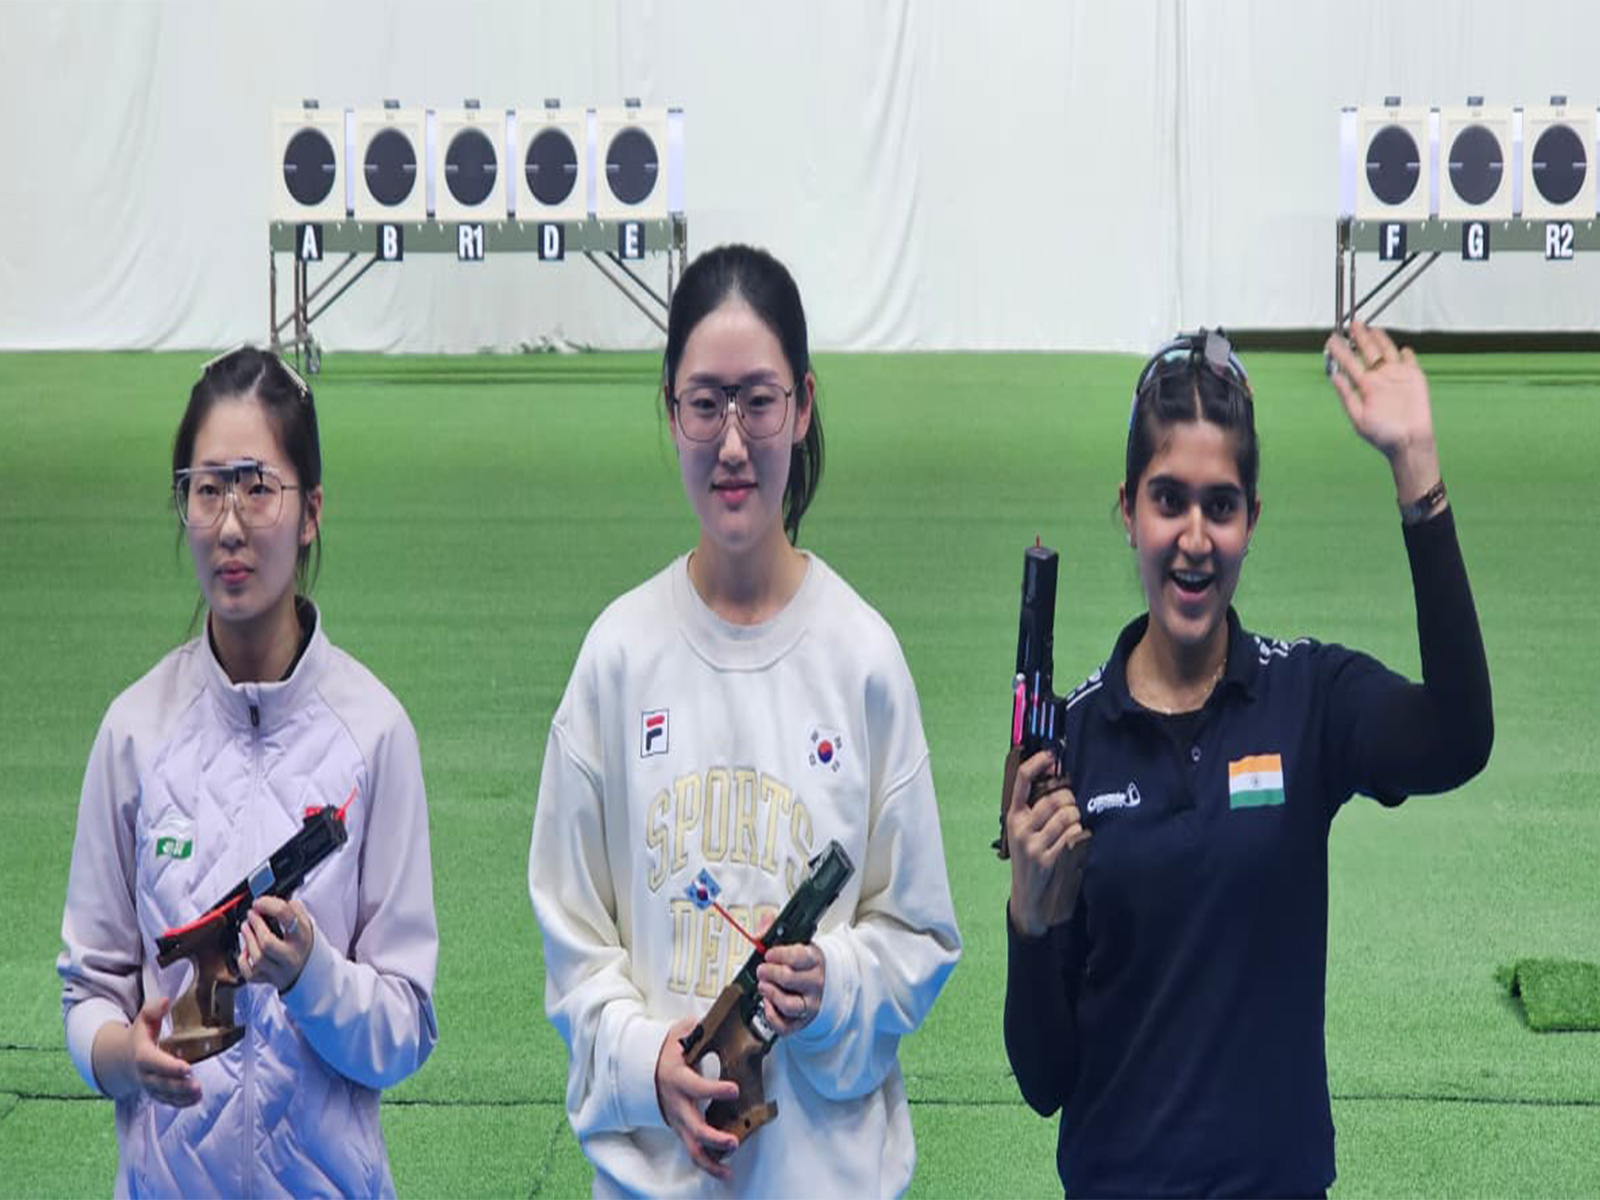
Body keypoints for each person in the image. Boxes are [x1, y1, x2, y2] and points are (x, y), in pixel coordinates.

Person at [1002, 321, 1493, 1196]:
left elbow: (1459, 738)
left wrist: (1416, 471)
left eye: (1220, 505)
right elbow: (1044, 1081)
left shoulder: (1309, 697)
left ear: (1251, 520)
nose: (1195, 537)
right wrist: (1029, 926)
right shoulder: (1069, 740)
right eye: (1169, 499)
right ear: (1128, 510)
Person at [529, 244, 961, 1197]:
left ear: (802, 407)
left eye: (759, 401)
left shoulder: (862, 658)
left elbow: (918, 933)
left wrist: (835, 988)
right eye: (705, 402)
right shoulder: (618, 657)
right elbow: (574, 940)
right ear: (670, 409)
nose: (732, 442)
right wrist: (651, 1063)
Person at [57, 347, 440, 1197]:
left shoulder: (375, 735)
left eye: (257, 486)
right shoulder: (134, 733)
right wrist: (127, 1055)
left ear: (311, 513)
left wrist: (311, 976)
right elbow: (88, 990)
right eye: (206, 488)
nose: (230, 524)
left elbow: (406, 1029)